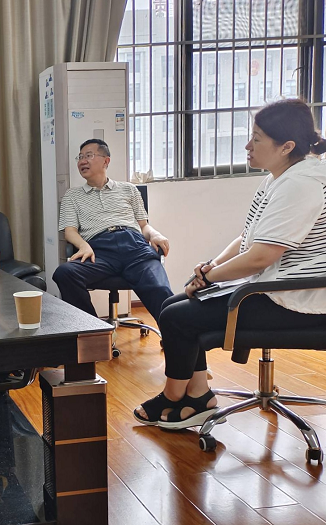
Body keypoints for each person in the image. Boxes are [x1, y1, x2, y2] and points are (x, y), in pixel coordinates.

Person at [135, 99, 326, 430]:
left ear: (286, 147)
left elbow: (262, 256)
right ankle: (198, 395)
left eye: (257, 139)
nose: (248, 146)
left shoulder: (301, 184)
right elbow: (248, 237)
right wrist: (212, 266)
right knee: (171, 305)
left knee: (178, 317)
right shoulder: (281, 177)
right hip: (274, 285)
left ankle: (175, 396)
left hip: (297, 298)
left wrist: (210, 278)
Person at [52, 138, 173, 323]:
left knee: (160, 289)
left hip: (134, 246)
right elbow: (70, 231)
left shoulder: (128, 189)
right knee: (64, 273)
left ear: (106, 161)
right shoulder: (72, 195)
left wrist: (155, 234)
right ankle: (93, 330)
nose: (82, 161)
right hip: (100, 252)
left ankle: (176, 335)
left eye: (89, 155)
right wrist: (83, 246)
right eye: (80, 157)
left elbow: (144, 225)